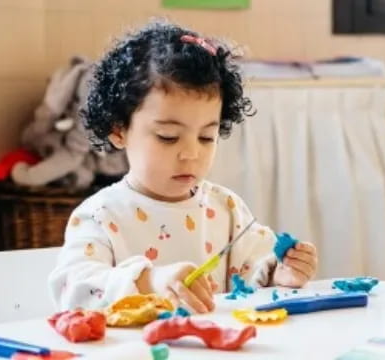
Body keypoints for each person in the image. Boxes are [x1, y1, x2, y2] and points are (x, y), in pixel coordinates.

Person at [48, 19, 318, 314]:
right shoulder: (100, 216)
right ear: (119, 130)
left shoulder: (227, 209)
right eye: (168, 137)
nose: (191, 153)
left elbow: (256, 279)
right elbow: (73, 290)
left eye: (206, 137)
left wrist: (282, 275)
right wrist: (149, 281)